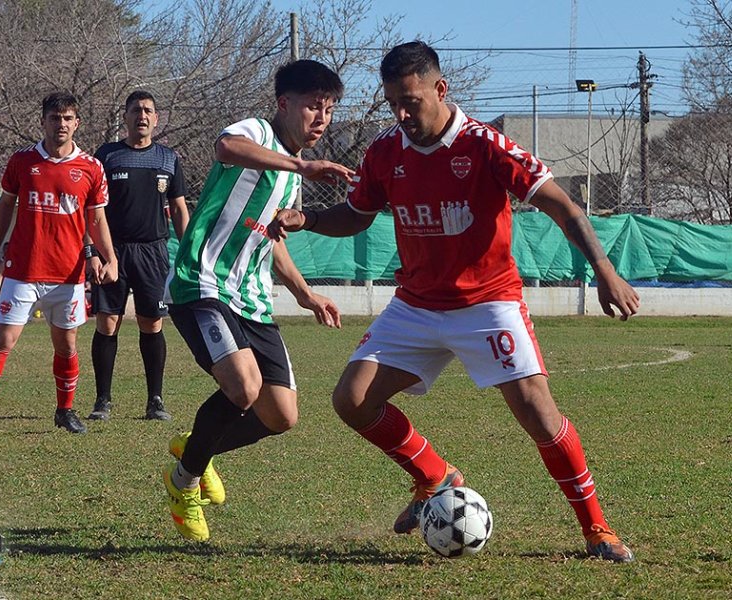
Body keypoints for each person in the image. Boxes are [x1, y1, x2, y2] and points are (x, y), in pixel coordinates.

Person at [268, 42, 640, 563]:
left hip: (488, 302)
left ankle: (597, 529)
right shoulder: (385, 151)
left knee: (537, 412)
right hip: (417, 304)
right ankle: (435, 477)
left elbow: (564, 206)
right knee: (351, 400)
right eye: (393, 102)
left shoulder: (486, 146)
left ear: (440, 90)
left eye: (411, 101)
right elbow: (356, 215)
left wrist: (604, 271)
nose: (402, 113)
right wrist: (306, 219)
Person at [161, 59, 352, 542]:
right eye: (313, 105)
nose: (322, 117)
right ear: (284, 104)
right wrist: (302, 164)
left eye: (328, 109)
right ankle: (183, 482)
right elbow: (226, 146)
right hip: (202, 282)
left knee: (280, 415)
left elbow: (272, 241)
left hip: (251, 297)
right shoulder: (259, 134)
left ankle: (195, 450)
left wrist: (307, 295)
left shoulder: (292, 180)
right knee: (243, 389)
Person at [0, 91, 118, 438]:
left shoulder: (91, 167)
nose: (61, 124)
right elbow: (5, 206)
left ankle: (65, 410)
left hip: (68, 275)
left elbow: (97, 219)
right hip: (23, 270)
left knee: (67, 345)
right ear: (43, 121)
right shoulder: (22, 161)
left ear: (77, 123)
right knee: (4, 340)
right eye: (54, 118)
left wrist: (110, 257)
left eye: (68, 118)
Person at [87, 90, 190, 422]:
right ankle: (102, 400)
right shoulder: (107, 155)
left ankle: (155, 400)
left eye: (147, 111)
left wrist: (189, 252)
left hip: (153, 252)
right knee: (107, 323)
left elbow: (178, 209)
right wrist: (94, 252)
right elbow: (92, 208)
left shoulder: (168, 159)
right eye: (135, 110)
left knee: (152, 323)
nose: (141, 116)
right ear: (126, 117)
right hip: (112, 250)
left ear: (156, 119)